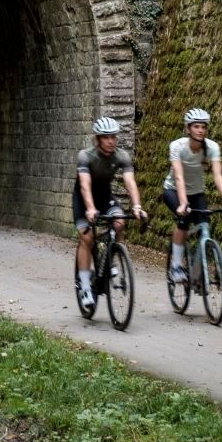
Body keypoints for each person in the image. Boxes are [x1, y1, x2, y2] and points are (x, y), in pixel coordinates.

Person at [74, 117, 146, 311]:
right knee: (87, 238)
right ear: (98, 139)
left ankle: (114, 258)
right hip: (83, 198)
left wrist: (137, 206)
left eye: (113, 137)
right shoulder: (85, 156)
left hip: (105, 196)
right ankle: (86, 286)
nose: (111, 141)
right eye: (106, 137)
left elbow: (130, 182)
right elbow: (84, 185)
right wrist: (90, 208)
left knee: (119, 222)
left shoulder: (121, 156)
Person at [163, 107, 222, 284]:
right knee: (183, 221)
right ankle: (175, 266)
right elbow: (179, 176)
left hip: (197, 192)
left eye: (203, 127)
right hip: (173, 191)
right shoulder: (177, 146)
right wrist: (183, 203)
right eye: (196, 126)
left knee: (205, 226)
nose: (200, 130)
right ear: (188, 128)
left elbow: (217, 175)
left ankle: (199, 271)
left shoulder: (212, 147)